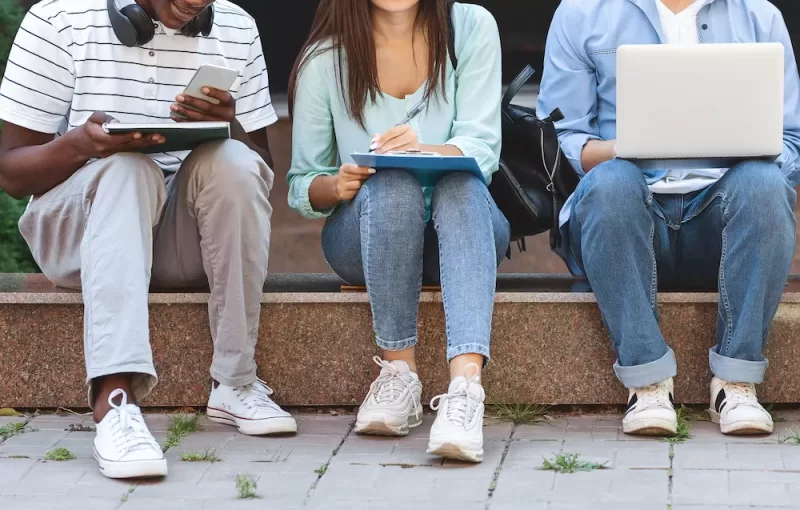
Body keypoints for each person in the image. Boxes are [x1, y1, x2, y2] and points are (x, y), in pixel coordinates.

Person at [0, 0, 296, 479]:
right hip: (78, 236)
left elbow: (262, 164)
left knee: (237, 163)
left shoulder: (237, 26)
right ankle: (115, 400)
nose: (194, 7)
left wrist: (229, 122)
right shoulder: (59, 18)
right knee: (126, 168)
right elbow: (12, 171)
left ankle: (236, 383)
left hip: (180, 241)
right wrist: (82, 145)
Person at [537, 0, 800, 436]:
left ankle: (735, 382)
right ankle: (648, 385)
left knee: (764, 184)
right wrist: (629, 146)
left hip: (721, 221)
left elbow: (791, 141)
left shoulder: (759, 14)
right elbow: (561, 140)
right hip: (623, 218)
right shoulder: (581, 11)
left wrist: (747, 147)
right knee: (611, 183)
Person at [287, 0, 508, 462]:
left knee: (459, 182)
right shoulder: (325, 58)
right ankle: (398, 375)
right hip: (369, 238)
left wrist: (428, 149)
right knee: (391, 183)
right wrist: (338, 184)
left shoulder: (471, 27)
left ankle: (465, 389)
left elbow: (483, 148)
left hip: (464, 234)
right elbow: (302, 185)